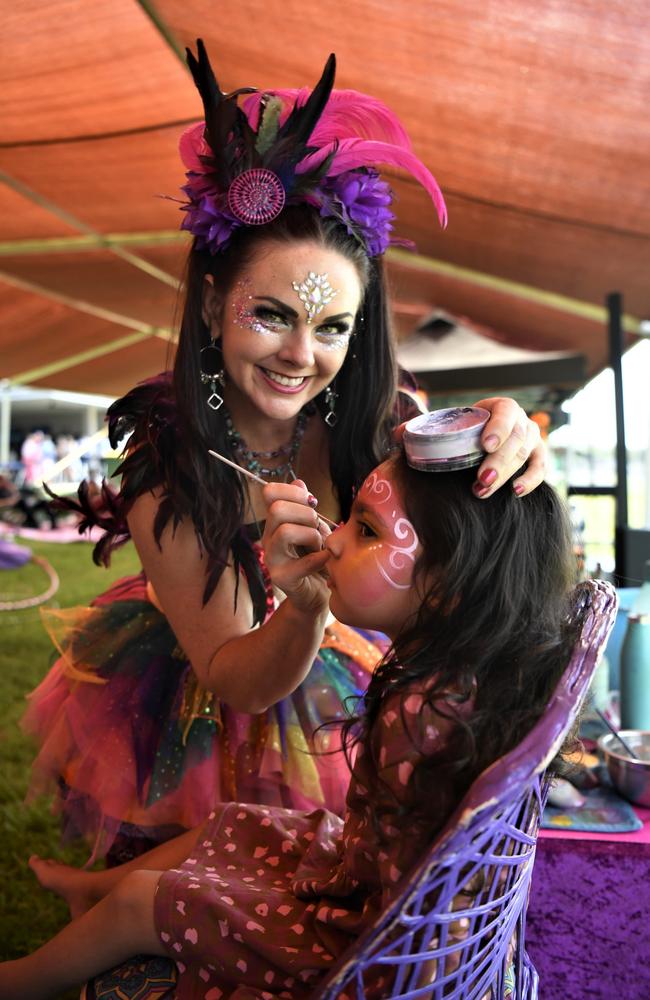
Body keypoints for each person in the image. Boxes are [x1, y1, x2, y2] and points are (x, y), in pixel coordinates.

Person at [22, 40, 546, 865]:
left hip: (343, 694)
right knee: (191, 880)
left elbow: (472, 496)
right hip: (197, 706)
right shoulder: (170, 462)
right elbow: (239, 678)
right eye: (272, 315)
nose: (303, 355)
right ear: (210, 301)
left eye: (333, 327)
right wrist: (304, 606)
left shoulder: (377, 423)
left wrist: (508, 424)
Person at [0, 428, 580, 1000]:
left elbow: (406, 918)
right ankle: (90, 890)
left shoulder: (421, 716)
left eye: (367, 529)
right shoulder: (463, 673)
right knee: (230, 823)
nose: (333, 541)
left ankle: (22, 980)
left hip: (354, 945)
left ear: (449, 585)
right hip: (358, 876)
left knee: (141, 903)